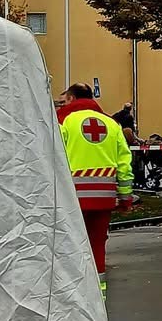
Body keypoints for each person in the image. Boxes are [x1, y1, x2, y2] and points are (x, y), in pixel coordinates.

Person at [56, 84, 134, 297]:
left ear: (71, 98)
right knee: (97, 247)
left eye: (64, 101)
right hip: (103, 198)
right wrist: (125, 197)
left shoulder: (62, 121)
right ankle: (99, 298)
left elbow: (53, 157)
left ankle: (75, 299)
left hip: (71, 199)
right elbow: (124, 164)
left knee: (69, 250)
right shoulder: (111, 124)